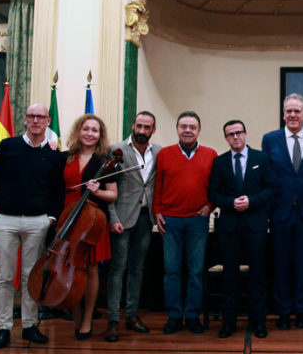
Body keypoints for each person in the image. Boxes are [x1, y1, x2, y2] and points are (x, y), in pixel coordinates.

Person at [0, 103, 65, 349]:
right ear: (25, 120)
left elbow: (57, 191)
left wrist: (50, 218)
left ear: (48, 121)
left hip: (37, 221)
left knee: (32, 277)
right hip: (4, 220)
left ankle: (30, 326)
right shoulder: (7, 147)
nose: (36, 120)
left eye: (40, 116)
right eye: (31, 116)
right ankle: (4, 328)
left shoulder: (53, 154)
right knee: (5, 277)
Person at [153, 111, 218, 335]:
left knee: (195, 271)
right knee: (171, 271)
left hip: (197, 221)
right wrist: (157, 211)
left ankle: (192, 316)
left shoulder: (211, 154)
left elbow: (216, 188)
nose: (187, 130)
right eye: (183, 126)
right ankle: (173, 316)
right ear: (177, 129)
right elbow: (157, 186)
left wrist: (210, 206)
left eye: (192, 126)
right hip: (170, 220)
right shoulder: (165, 154)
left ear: (198, 130)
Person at [209, 120, 275, 339]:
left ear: (245, 134)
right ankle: (229, 322)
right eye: (230, 134)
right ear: (226, 138)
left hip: (255, 225)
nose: (235, 137)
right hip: (229, 227)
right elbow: (214, 193)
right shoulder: (219, 162)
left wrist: (252, 201)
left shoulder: (261, 159)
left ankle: (259, 323)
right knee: (230, 277)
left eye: (238, 133)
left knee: (258, 276)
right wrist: (230, 203)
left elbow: (270, 189)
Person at [262, 94, 303, 330]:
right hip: (280, 212)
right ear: (283, 114)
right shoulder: (270, 139)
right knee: (282, 265)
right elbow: (266, 176)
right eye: (289, 111)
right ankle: (284, 312)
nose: (293, 115)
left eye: (297, 111)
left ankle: (301, 311)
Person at [103, 111, 162, 342]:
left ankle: (132, 315)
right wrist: (113, 217)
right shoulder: (116, 150)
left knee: (138, 269)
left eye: (147, 127)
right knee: (118, 269)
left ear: (153, 130)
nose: (142, 130)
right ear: (133, 126)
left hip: (145, 220)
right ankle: (112, 321)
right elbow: (109, 188)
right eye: (139, 126)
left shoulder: (158, 152)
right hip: (122, 219)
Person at [61, 113, 118, 340]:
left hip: (93, 221)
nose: (90, 134)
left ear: (100, 135)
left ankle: (87, 319)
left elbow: (113, 194)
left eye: (95, 130)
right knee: (71, 269)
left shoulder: (105, 161)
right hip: (67, 218)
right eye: (86, 129)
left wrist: (97, 191)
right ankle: (75, 316)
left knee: (92, 269)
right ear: (79, 131)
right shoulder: (64, 158)